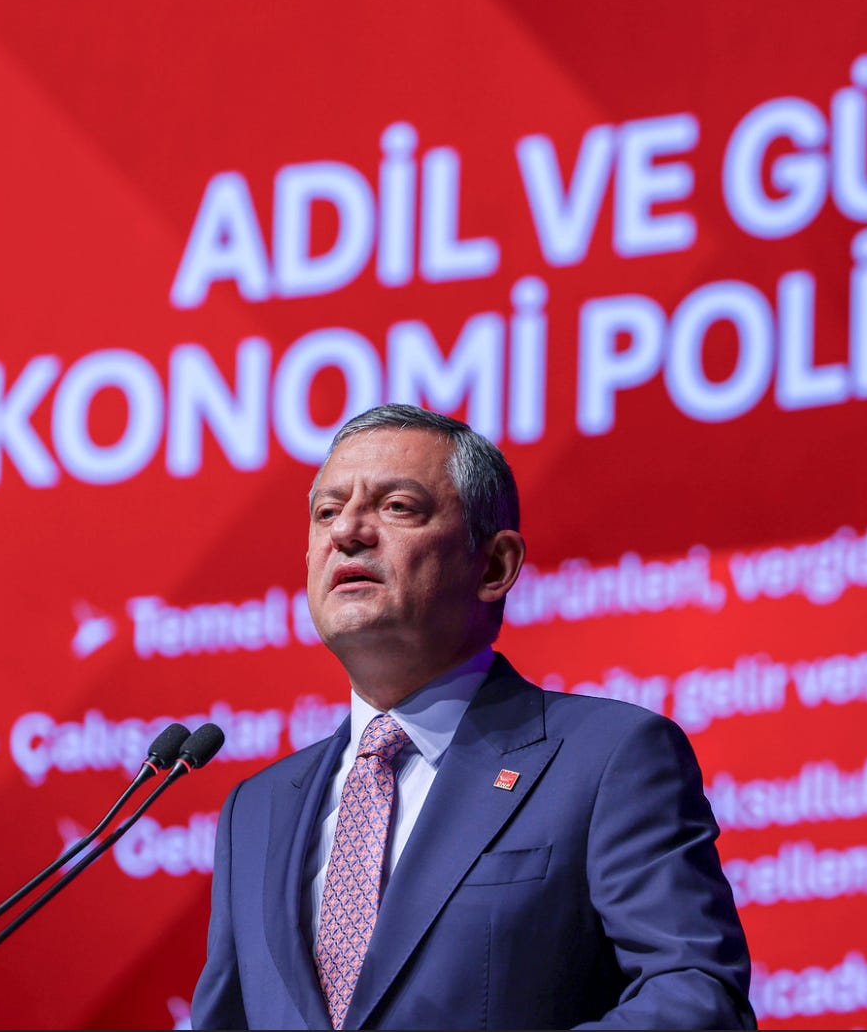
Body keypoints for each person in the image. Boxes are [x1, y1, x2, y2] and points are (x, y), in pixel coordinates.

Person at [190, 404, 754, 1030]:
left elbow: (697, 998)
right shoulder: (257, 809)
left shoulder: (607, 760)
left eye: (397, 506)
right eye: (326, 512)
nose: (346, 531)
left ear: (494, 566)